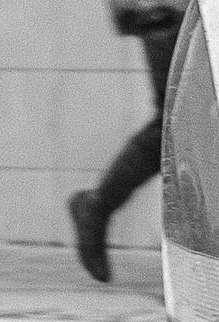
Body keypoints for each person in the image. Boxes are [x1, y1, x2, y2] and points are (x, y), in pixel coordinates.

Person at [70, 2, 184, 284]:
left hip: (182, 15)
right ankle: (97, 206)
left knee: (181, 125)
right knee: (176, 124)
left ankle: (96, 207)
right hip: (169, 15)